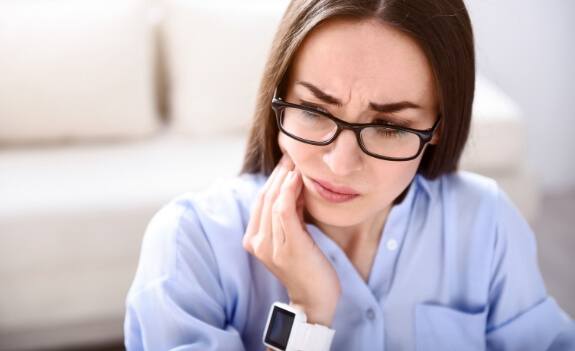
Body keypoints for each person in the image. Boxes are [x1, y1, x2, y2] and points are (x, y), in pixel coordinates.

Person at [124, 0, 575, 350]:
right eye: (314, 111)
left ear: (438, 127)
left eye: (389, 127)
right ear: (277, 95)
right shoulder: (191, 243)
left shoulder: (486, 224)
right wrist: (306, 314)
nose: (340, 164)